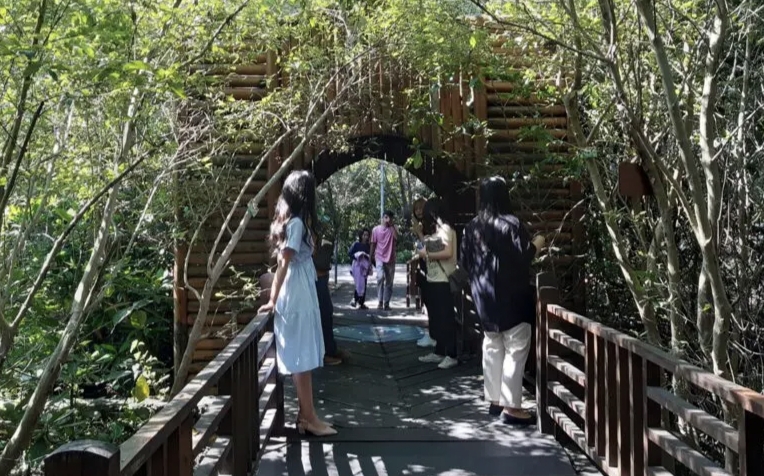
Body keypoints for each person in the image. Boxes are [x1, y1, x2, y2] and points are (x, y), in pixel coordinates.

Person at [459, 176, 545, 425]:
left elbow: (464, 263)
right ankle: (512, 407)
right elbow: (524, 255)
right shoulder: (512, 224)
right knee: (516, 349)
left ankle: (495, 400)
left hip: (484, 300)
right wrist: (538, 243)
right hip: (513, 299)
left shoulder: (471, 227)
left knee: (493, 346)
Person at [258, 170, 337, 437]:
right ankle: (309, 418)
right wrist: (272, 299)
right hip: (297, 293)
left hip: (300, 288)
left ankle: (306, 416)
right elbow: (283, 262)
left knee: (303, 356)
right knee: (302, 358)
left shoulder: (292, 221)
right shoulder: (297, 224)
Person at [415, 198, 459, 369]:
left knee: (446, 318)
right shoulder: (438, 230)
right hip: (434, 279)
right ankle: (440, 351)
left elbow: (447, 251)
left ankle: (451, 354)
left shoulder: (446, 229)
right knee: (438, 318)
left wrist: (426, 254)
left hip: (443, 279)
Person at [313, 234, 345, 366]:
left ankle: (330, 349)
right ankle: (325, 352)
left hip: (321, 274)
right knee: (323, 313)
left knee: (326, 312)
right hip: (315, 275)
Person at [410, 197, 436, 348]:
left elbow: (433, 247)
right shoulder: (420, 225)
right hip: (423, 267)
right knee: (426, 301)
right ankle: (430, 334)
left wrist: (419, 233)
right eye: (416, 208)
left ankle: (434, 335)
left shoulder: (432, 226)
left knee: (433, 303)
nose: (419, 211)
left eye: (421, 208)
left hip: (433, 269)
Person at [370, 210, 398, 310]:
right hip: (379, 257)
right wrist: (370, 258)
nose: (387, 219)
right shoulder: (375, 230)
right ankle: (380, 301)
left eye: (390, 218)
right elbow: (373, 244)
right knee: (380, 277)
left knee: (389, 282)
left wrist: (391, 225)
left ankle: (386, 303)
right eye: (386, 217)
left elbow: (396, 238)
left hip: (391, 258)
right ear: (382, 218)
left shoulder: (393, 228)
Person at [348, 228, 372, 309]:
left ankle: (361, 303)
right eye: (364, 235)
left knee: (364, 284)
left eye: (367, 235)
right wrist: (358, 257)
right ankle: (355, 300)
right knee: (359, 283)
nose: (366, 237)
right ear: (361, 235)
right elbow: (350, 254)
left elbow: (370, 256)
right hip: (357, 267)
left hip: (364, 267)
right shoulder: (356, 244)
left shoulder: (368, 246)